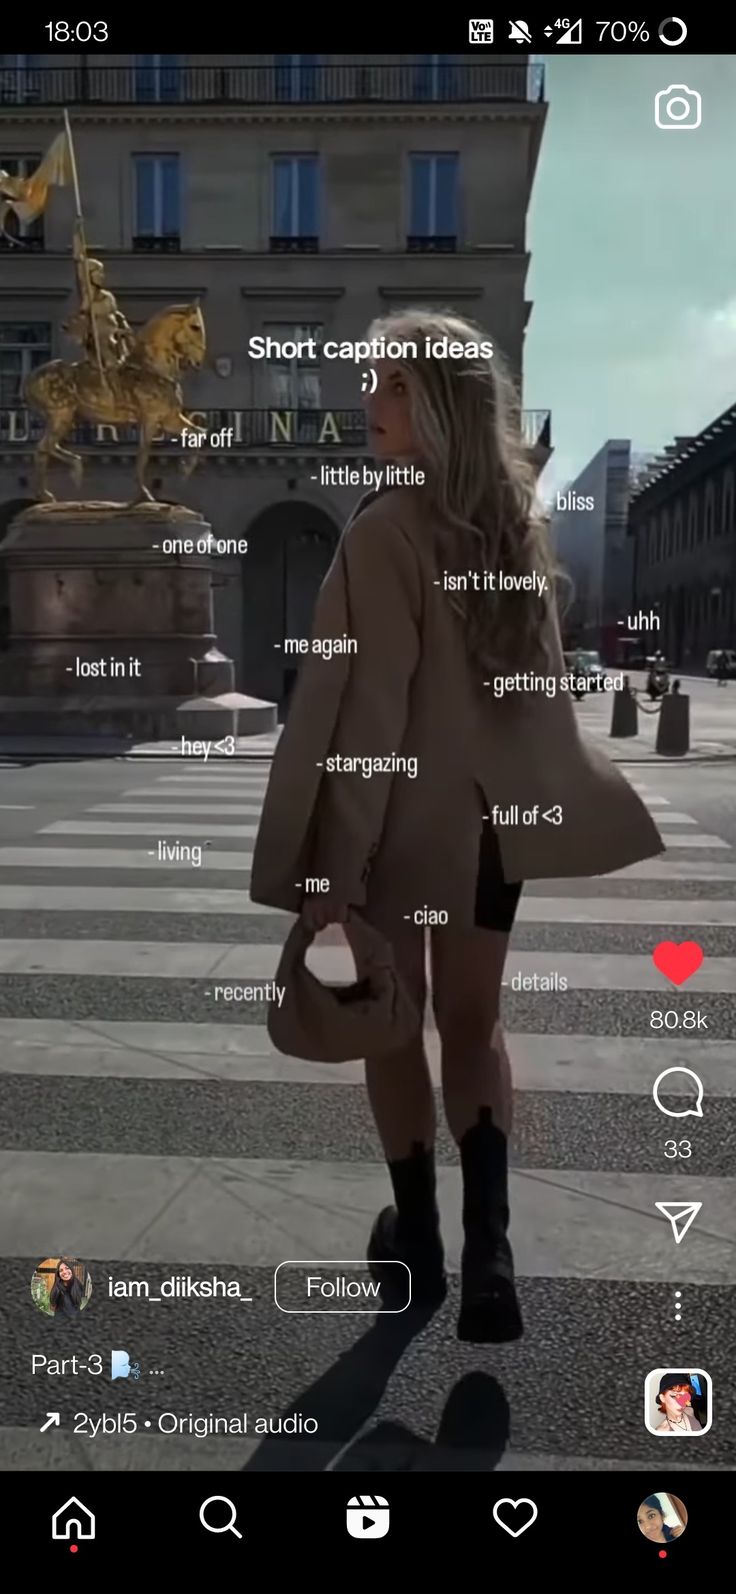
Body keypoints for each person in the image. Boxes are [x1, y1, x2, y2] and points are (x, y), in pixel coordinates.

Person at [250, 308, 665, 1345]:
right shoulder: (512, 528)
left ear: (433, 404)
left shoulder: (384, 531)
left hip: (395, 827)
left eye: (389, 386)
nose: (369, 403)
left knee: (391, 1022)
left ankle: (419, 1241)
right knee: (475, 1027)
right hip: (487, 831)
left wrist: (331, 867)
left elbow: (367, 713)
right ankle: (491, 1250)